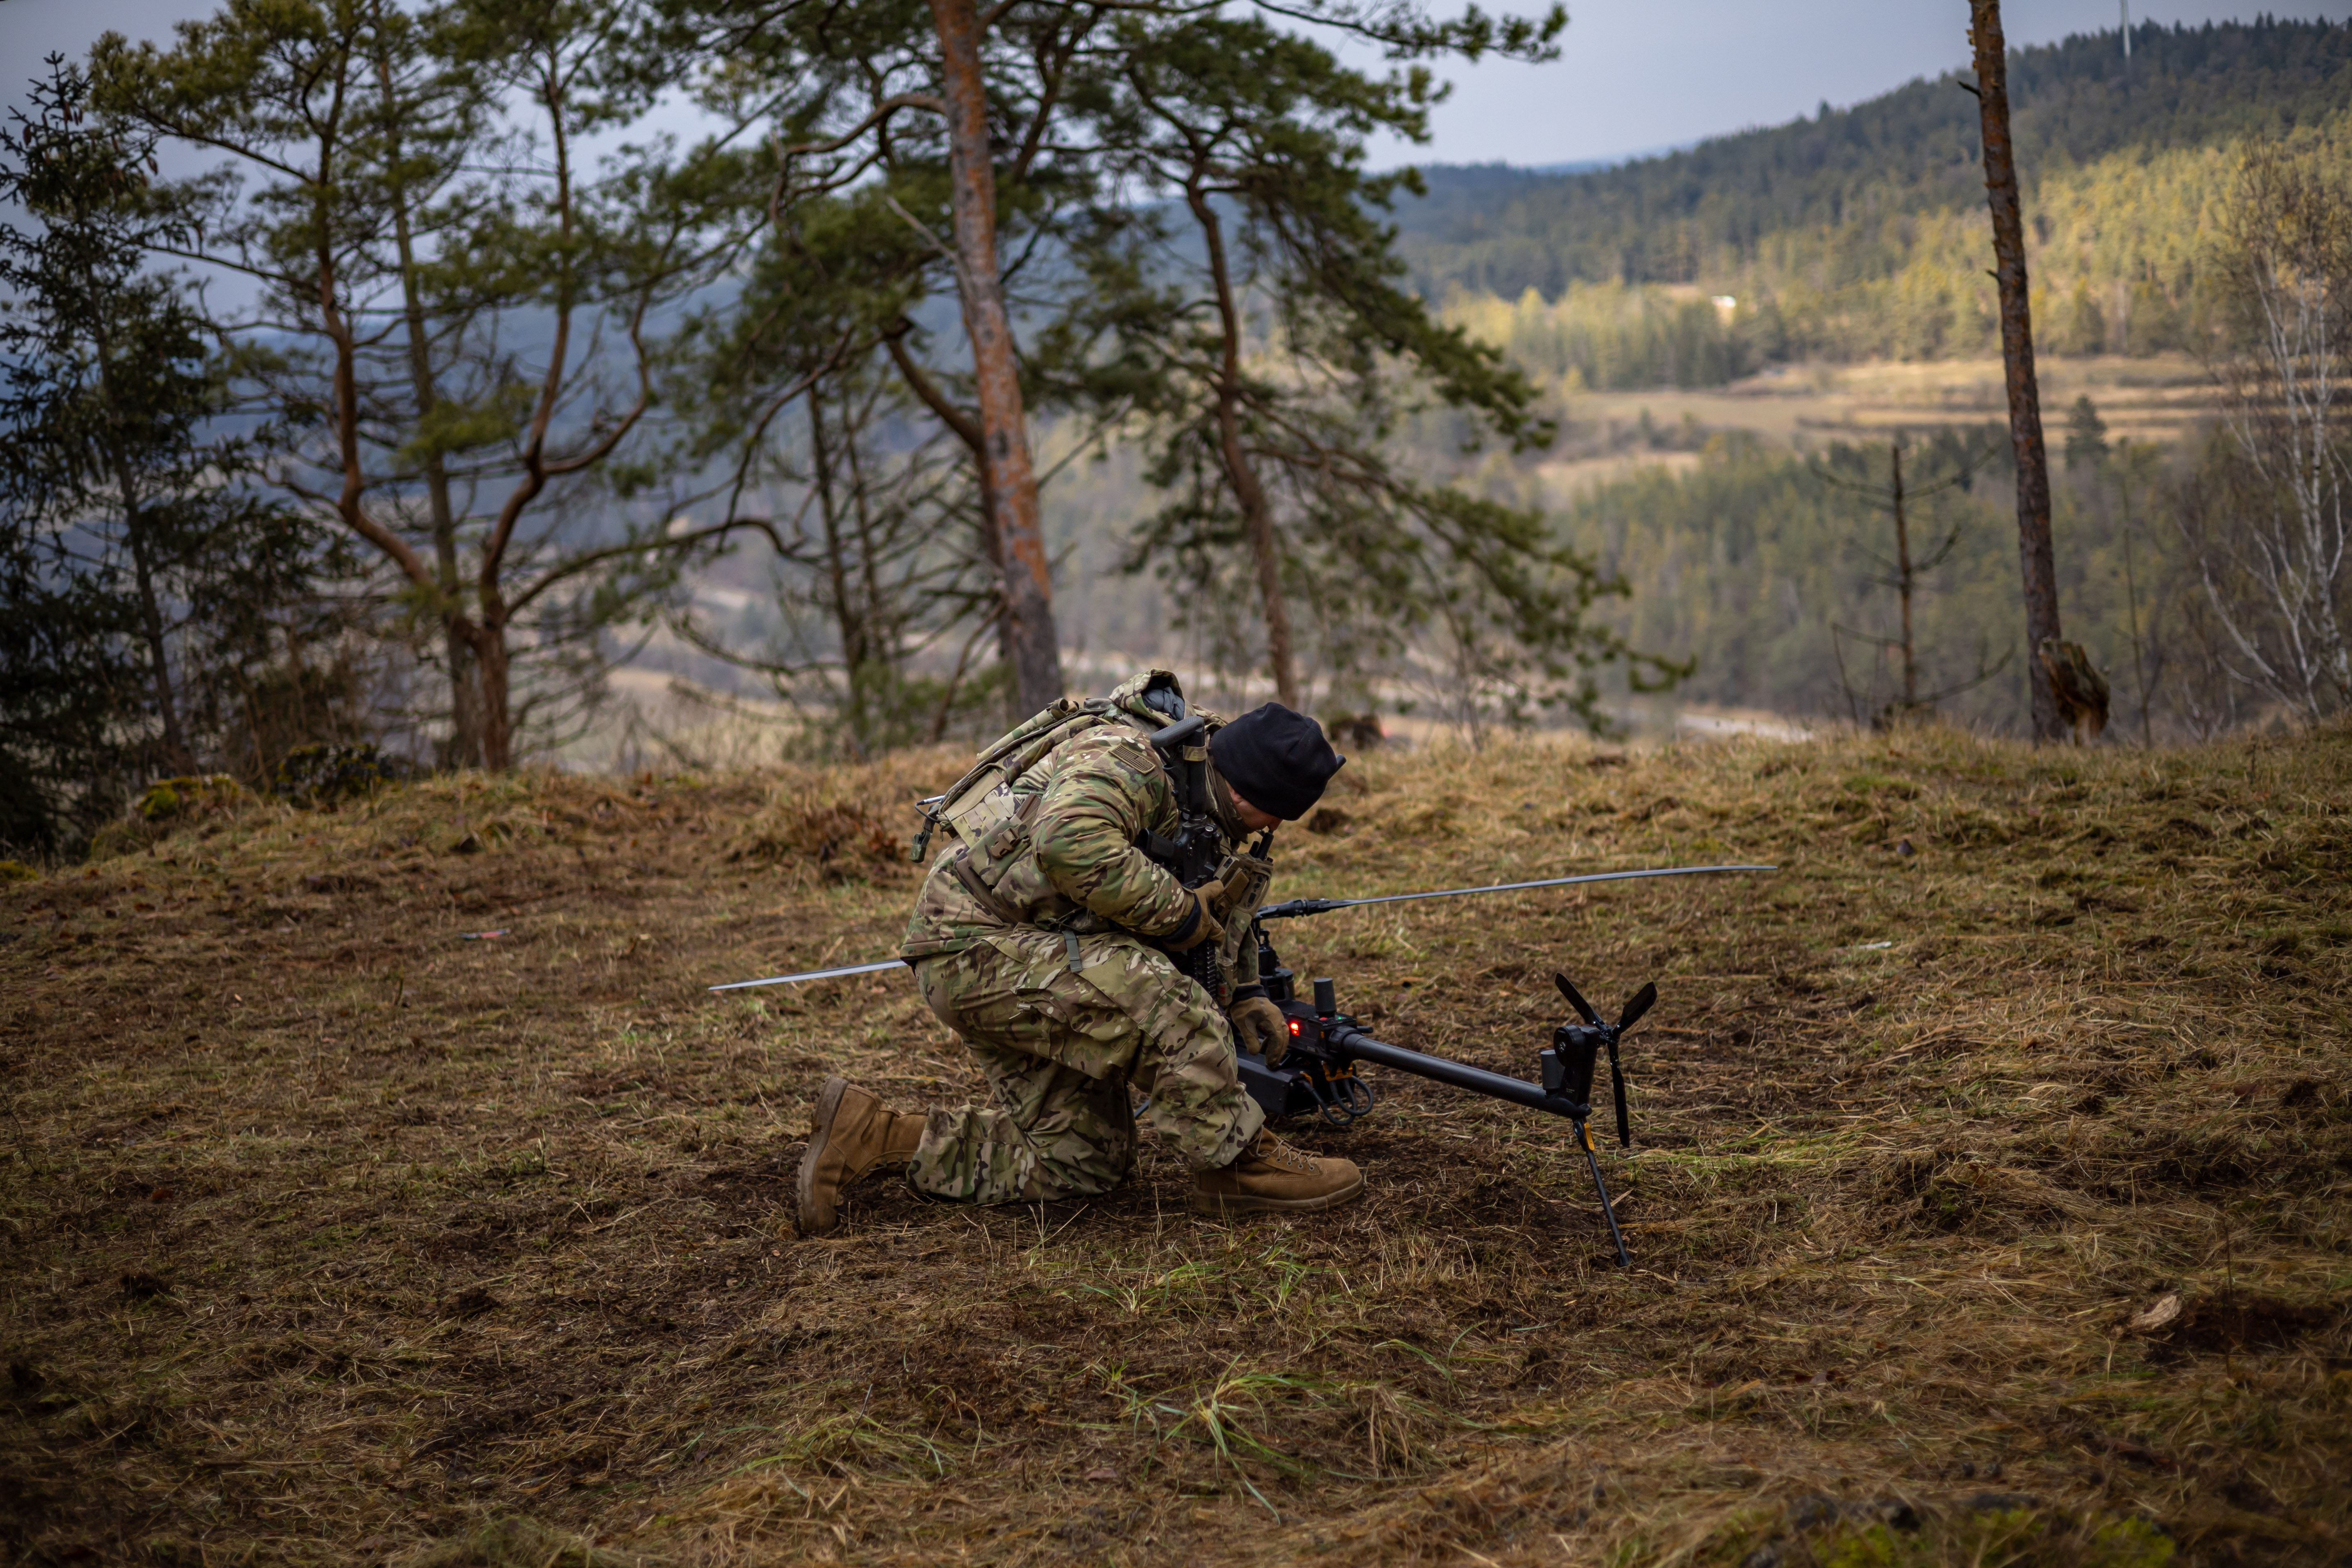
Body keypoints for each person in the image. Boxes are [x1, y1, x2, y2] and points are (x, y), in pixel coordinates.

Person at [795, 671, 1362, 1234]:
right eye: (1278, 814)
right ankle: (1238, 1165)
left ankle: (869, 1135)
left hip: (1028, 945)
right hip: (972, 946)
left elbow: (1218, 895)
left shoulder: (1204, 785)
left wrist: (1244, 992)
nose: (1277, 827)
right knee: (1164, 1002)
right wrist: (1181, 914)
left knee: (1082, 1161)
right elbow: (1069, 844)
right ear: (1248, 792)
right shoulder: (1128, 760)